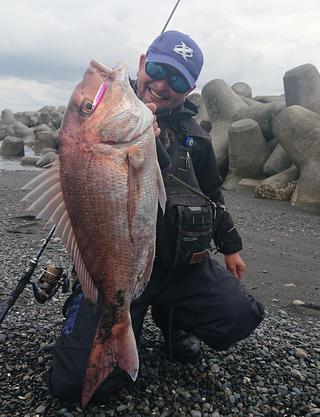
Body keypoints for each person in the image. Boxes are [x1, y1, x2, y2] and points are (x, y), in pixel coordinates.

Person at [46, 30, 265, 404]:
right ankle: (117, 314)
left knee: (240, 317)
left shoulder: (195, 138)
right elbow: (80, 151)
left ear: (189, 88)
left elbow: (212, 194)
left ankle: (172, 317)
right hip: (117, 269)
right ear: (144, 62)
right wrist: (137, 137)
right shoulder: (112, 119)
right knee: (70, 386)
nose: (162, 85)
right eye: (159, 69)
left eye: (177, 79)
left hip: (180, 267)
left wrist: (231, 247)